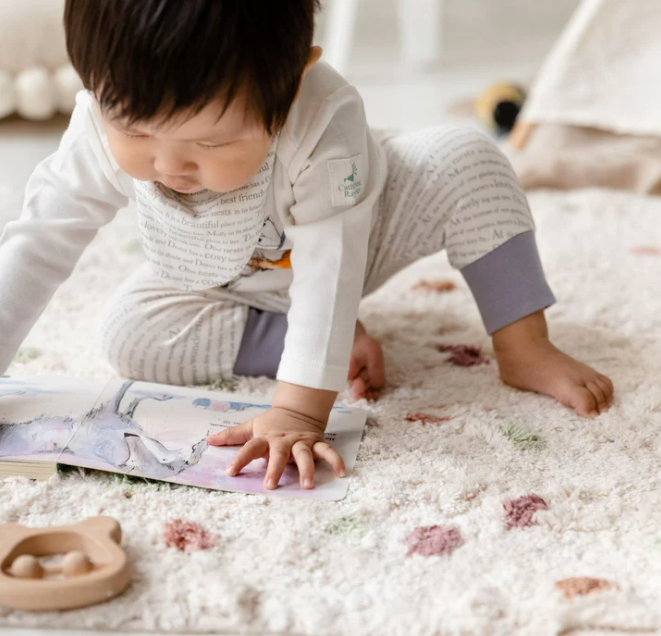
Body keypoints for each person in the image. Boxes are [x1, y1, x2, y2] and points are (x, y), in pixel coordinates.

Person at [0, 0, 613, 490]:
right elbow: (39, 239)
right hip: (220, 274)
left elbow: (330, 263)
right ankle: (326, 341)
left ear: (291, 83)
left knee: (467, 159)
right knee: (128, 335)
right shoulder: (101, 116)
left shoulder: (322, 116)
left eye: (211, 143)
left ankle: (525, 344)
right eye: (134, 132)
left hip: (363, 230)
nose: (168, 165)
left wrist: (297, 410)